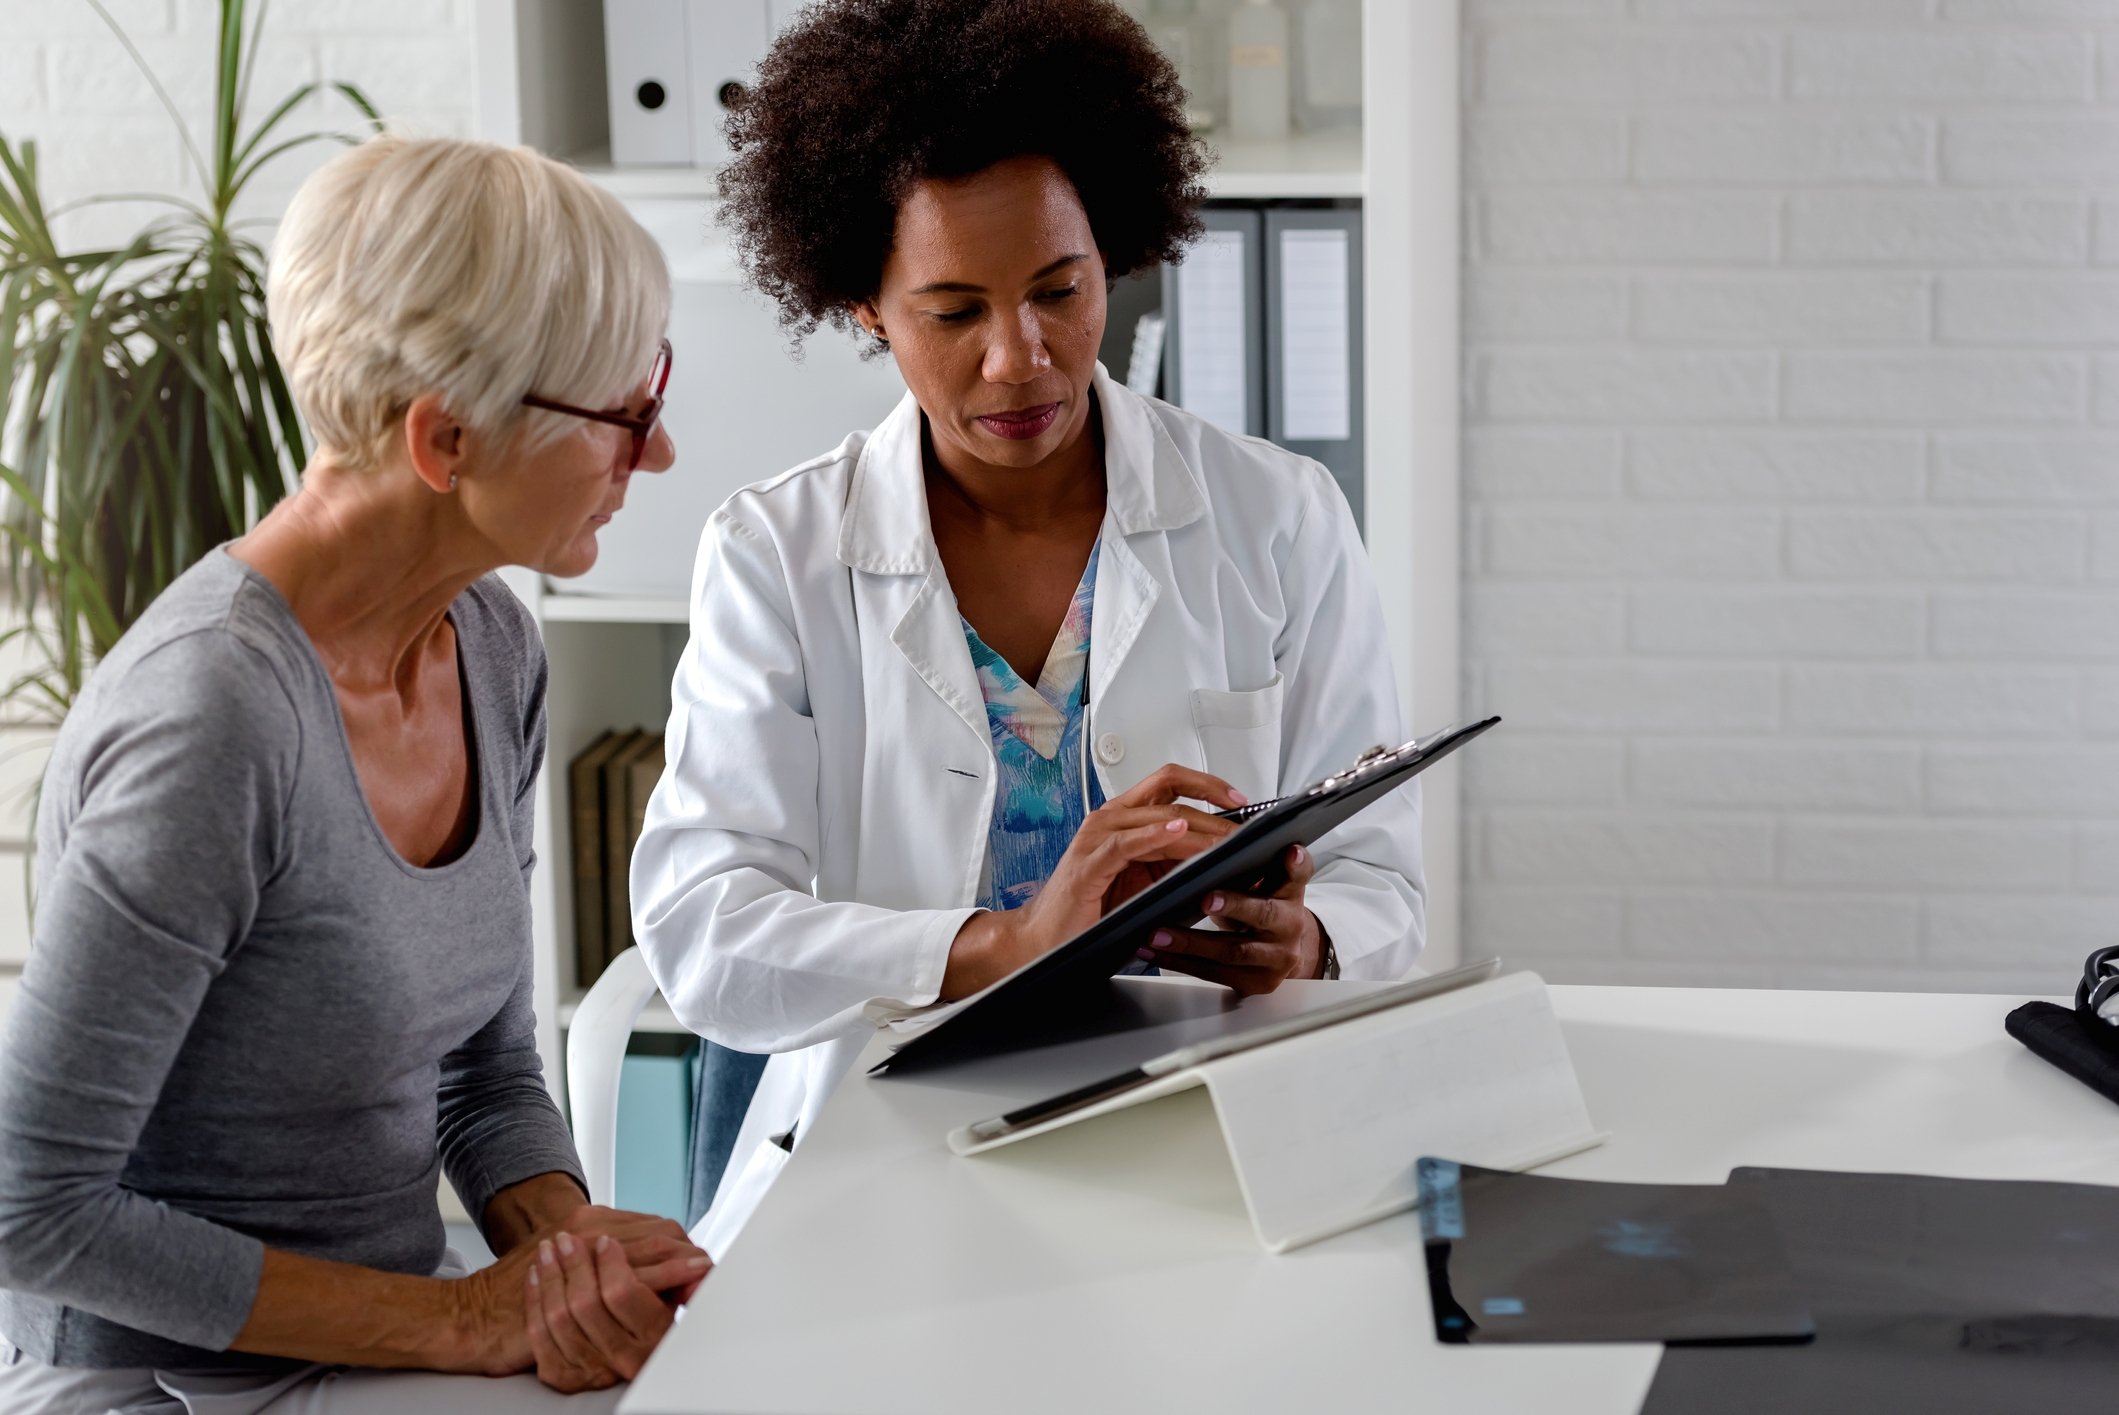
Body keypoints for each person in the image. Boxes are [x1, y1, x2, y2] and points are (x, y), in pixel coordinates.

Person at [632, 0, 1425, 1247]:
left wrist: (1309, 937)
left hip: (1215, 1140)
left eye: (1060, 289)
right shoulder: (775, 555)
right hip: (887, 1164)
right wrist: (1005, 941)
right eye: (953, 311)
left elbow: (1385, 877)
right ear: (862, 305)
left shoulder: (1279, 516)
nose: (1022, 357)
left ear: (1112, 249)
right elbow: (706, 932)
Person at [0, 134, 705, 1412]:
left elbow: (482, 1074)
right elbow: (28, 1205)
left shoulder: (490, 646)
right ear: (445, 440)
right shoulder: (211, 722)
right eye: (625, 411)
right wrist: (457, 1320)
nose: (654, 455)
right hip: (162, 1383)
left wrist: (562, 1253)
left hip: (380, 1335)